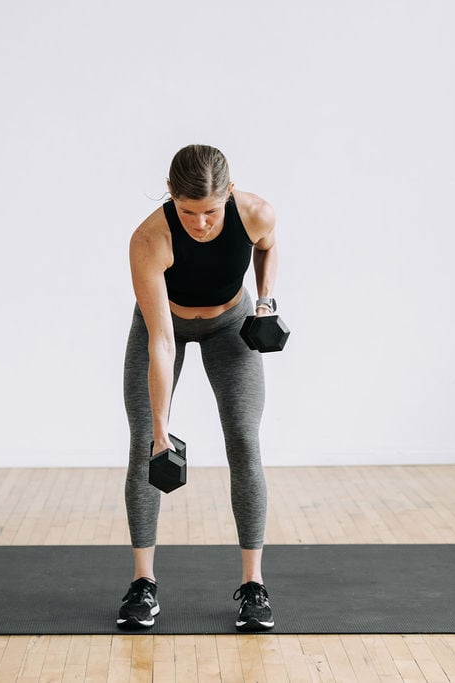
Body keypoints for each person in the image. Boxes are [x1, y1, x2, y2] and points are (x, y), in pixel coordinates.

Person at [119, 144, 279, 632]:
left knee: (245, 443)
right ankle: (143, 585)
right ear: (171, 196)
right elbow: (162, 343)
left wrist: (267, 302)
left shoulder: (256, 214)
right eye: (188, 212)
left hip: (231, 325)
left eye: (211, 211)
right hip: (164, 325)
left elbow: (267, 245)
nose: (202, 223)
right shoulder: (150, 239)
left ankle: (254, 585)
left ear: (229, 195)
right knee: (147, 443)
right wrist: (163, 429)